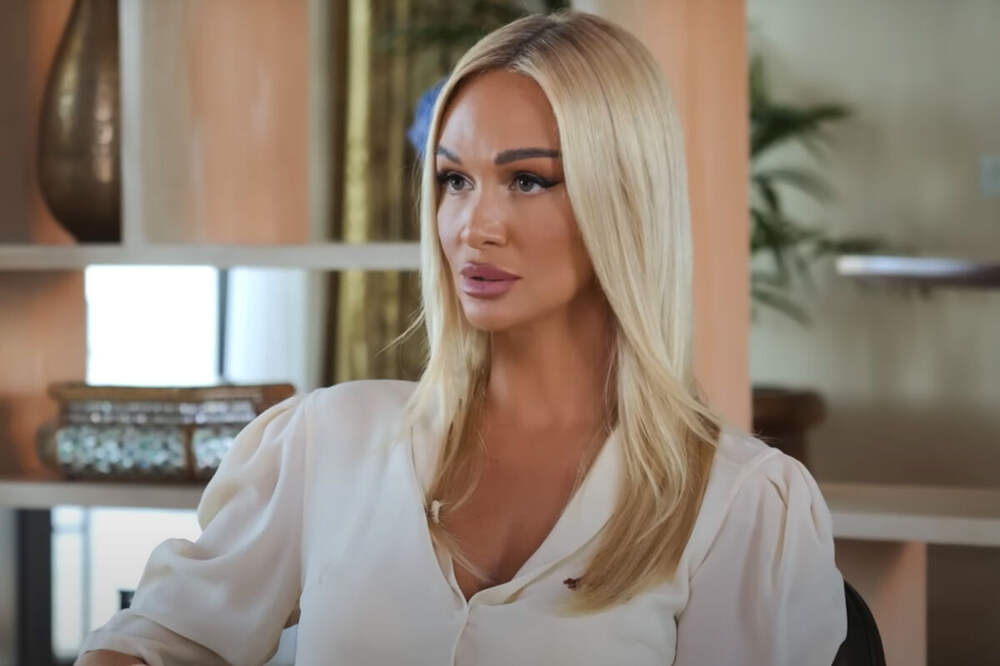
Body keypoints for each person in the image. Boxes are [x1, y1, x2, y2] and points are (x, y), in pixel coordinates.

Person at [77, 10, 847, 666]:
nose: (474, 227)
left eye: (527, 180)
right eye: (455, 180)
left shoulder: (739, 506)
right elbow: (151, 641)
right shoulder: (329, 443)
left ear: (625, 200)